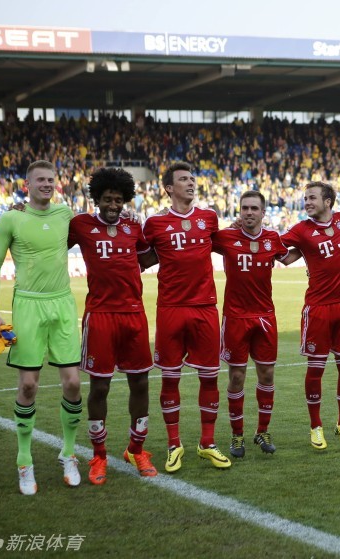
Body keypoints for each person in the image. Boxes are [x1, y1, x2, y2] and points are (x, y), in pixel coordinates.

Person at [0, 160, 83, 495]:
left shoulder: (65, 214)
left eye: (50, 179)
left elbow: (96, 228)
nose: (46, 184)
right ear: (27, 184)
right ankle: (24, 460)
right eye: (40, 179)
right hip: (27, 306)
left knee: (72, 383)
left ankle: (69, 454)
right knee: (28, 386)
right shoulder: (12, 217)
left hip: (63, 304)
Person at [68, 167, 158, 484]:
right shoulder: (79, 225)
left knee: (141, 383)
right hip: (100, 315)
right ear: (98, 198)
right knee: (100, 387)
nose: (113, 205)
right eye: (108, 198)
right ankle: (99, 456)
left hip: (134, 314)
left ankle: (136, 448)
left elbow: (148, 259)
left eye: (118, 199)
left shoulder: (134, 228)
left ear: (125, 201)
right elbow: (51, 245)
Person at [142, 162, 231, 471]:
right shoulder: (154, 223)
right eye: (183, 179)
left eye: (192, 178)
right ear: (169, 188)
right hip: (170, 309)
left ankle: (207, 443)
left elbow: (226, 246)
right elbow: (138, 258)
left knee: (209, 377)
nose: (191, 183)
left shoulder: (209, 218)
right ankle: (173, 444)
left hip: (205, 308)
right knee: (170, 377)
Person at [280, 181, 340, 450]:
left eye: (312, 198)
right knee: (316, 369)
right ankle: (315, 426)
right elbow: (283, 254)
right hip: (318, 309)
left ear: (328, 201)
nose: (307, 202)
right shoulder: (301, 230)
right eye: (305, 198)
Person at [213, 191, 287, 457]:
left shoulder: (273, 239)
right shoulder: (225, 238)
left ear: (263, 212)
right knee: (236, 376)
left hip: (265, 317)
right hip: (235, 317)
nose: (249, 212)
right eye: (245, 208)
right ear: (239, 211)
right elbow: (197, 241)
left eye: (254, 208)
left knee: (267, 374)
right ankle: (237, 436)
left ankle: (262, 431)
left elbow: (289, 255)